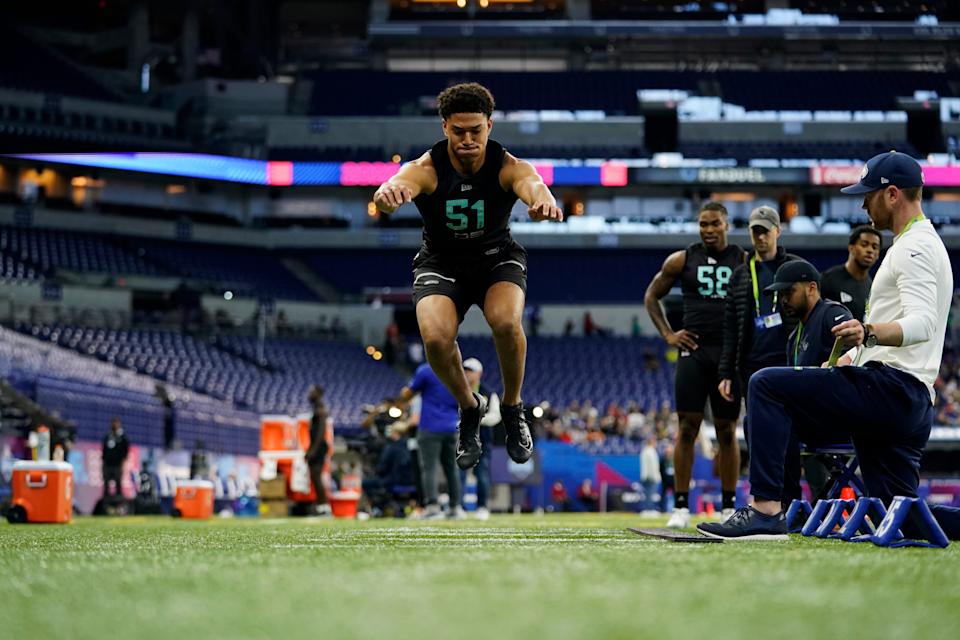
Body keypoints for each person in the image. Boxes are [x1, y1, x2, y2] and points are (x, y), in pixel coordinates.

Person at [699, 151, 960, 540]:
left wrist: (867, 332)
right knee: (901, 515)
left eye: (867, 194)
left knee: (766, 385)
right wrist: (857, 352)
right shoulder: (918, 244)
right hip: (906, 398)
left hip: (891, 391)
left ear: (892, 194)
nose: (861, 202)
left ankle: (767, 511)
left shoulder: (914, 248)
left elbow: (923, 324)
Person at [373, 82, 562, 473]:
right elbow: (396, 184)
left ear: (489, 126)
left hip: (496, 260)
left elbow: (533, 184)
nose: (467, 139)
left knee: (506, 322)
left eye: (475, 130)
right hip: (441, 263)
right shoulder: (425, 168)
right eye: (458, 131)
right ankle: (470, 407)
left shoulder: (509, 165)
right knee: (436, 339)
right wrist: (386, 194)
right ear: (445, 128)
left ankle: (511, 408)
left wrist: (543, 201)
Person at [645, 202, 746, 527]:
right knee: (686, 428)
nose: (708, 230)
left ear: (726, 224)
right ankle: (680, 507)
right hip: (694, 351)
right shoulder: (682, 258)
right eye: (703, 224)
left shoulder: (743, 260)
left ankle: (729, 506)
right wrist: (668, 335)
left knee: (727, 431)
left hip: (728, 354)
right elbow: (651, 296)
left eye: (714, 223)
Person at [764, 259, 854, 505]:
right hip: (809, 419)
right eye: (781, 294)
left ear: (812, 287)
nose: (783, 299)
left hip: (836, 417)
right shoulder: (794, 336)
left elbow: (858, 344)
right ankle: (786, 502)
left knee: (774, 416)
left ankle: (783, 503)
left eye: (789, 291)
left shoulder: (831, 313)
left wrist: (843, 359)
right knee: (763, 416)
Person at [718, 206, 801, 417]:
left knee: (790, 423)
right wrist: (726, 372)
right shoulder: (739, 276)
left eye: (766, 231)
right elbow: (730, 328)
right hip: (751, 364)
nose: (761, 236)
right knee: (756, 423)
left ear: (778, 231)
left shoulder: (795, 269)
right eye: (756, 231)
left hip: (787, 361)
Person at [398, 363, 463, 519]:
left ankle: (432, 506)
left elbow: (408, 394)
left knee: (429, 468)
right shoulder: (456, 369)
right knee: (451, 469)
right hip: (452, 427)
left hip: (430, 426)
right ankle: (455, 507)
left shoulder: (427, 370)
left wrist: (405, 392)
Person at [460, 357, 500, 520]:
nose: (466, 374)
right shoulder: (458, 390)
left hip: (482, 439)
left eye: (470, 371)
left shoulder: (488, 392)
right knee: (460, 474)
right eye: (465, 370)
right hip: (462, 439)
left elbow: (495, 416)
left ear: (479, 373)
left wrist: (476, 420)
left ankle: (482, 506)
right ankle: (458, 506)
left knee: (482, 473)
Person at [820, 225, 882, 321]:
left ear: (878, 255)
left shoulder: (873, 288)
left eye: (875, 247)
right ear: (851, 248)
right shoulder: (828, 280)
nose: (870, 250)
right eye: (864, 244)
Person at [305, 385, 332, 516]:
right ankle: (321, 506)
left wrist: (313, 450)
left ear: (318, 393)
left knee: (317, 476)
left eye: (312, 391)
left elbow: (321, 431)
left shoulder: (320, 408)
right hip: (316, 446)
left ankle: (324, 507)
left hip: (319, 447)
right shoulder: (316, 408)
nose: (309, 394)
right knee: (314, 477)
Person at [101, 417, 129, 500]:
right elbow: (104, 450)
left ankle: (119, 501)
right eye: (113, 423)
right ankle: (106, 501)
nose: (114, 425)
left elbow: (125, 450)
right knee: (106, 483)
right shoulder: (108, 436)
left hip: (117, 464)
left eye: (116, 423)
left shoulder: (122, 437)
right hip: (107, 464)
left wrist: (122, 462)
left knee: (118, 482)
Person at [640, 434, 662, 513]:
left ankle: (648, 509)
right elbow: (652, 466)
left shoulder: (646, 451)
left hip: (647, 476)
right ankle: (648, 509)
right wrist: (655, 476)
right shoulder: (650, 451)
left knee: (648, 494)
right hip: (650, 477)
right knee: (649, 494)